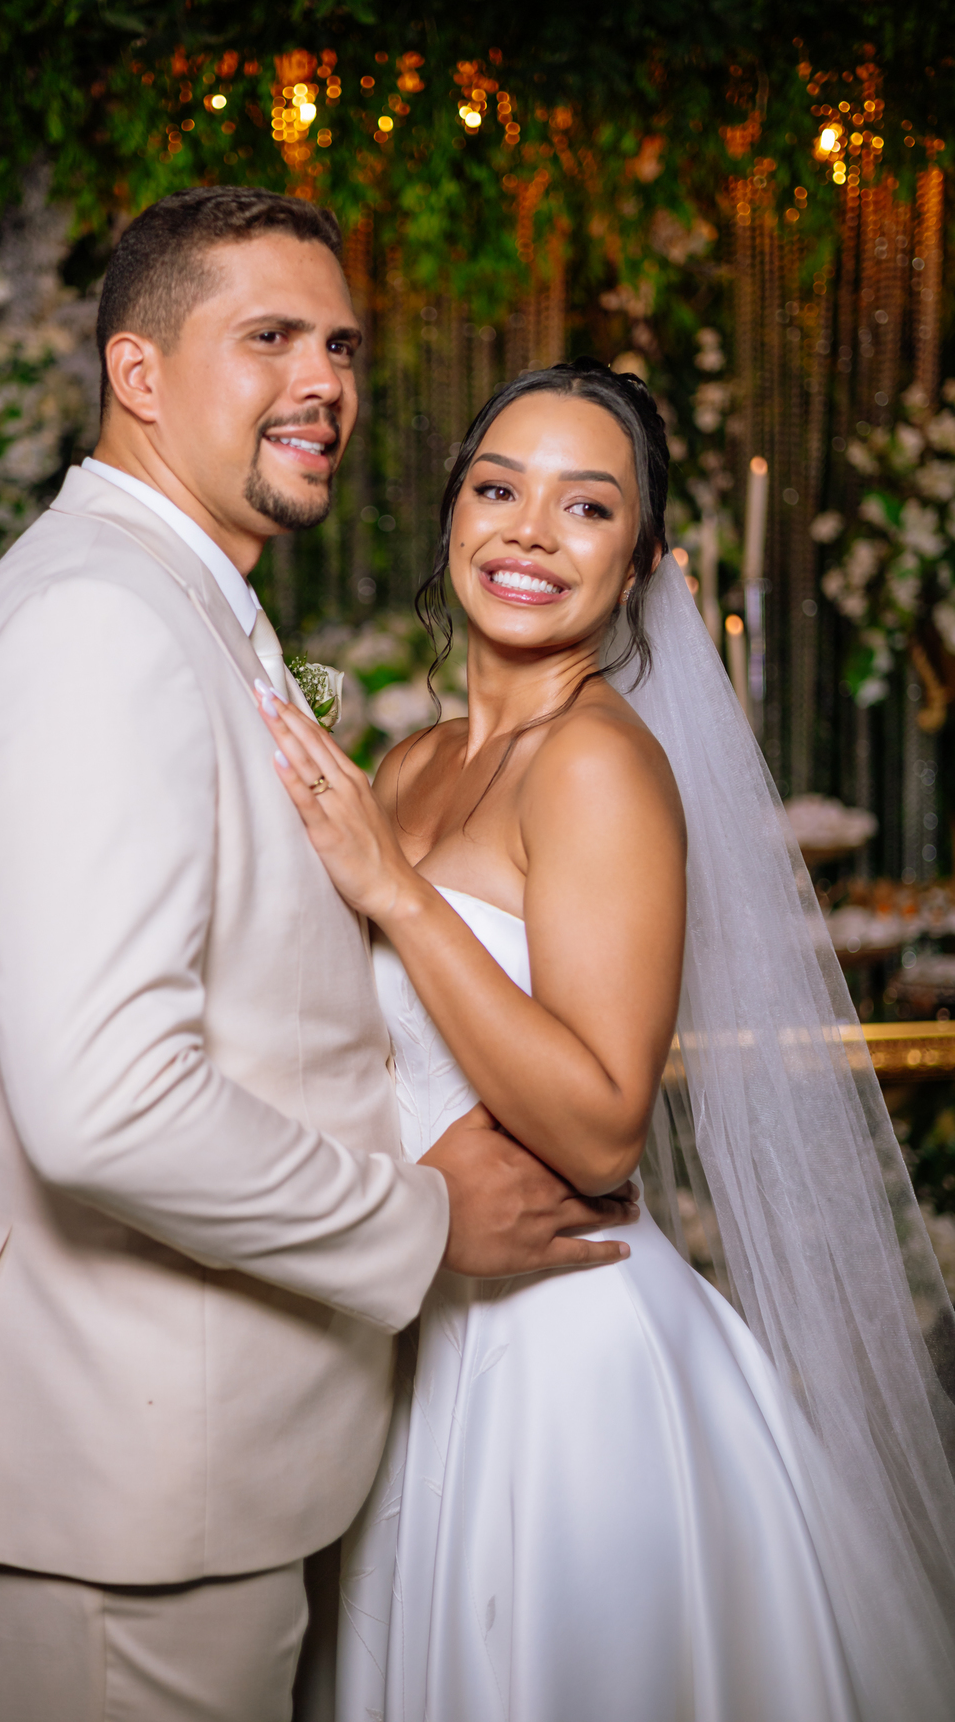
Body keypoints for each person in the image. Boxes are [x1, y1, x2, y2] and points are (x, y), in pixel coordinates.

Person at [0, 191, 637, 1722]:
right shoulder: (99, 624)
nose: (325, 384)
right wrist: (422, 1217)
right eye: (271, 338)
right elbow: (105, 1104)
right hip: (128, 1471)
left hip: (210, 1455)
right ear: (139, 372)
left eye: (342, 346)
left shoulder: (178, 602)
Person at [259, 360, 955, 1721]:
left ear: (637, 567)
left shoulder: (598, 763)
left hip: (561, 1362)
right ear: (453, 515)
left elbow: (599, 1127)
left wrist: (396, 893)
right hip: (420, 1315)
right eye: (497, 489)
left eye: (586, 507)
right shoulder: (411, 765)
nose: (528, 532)